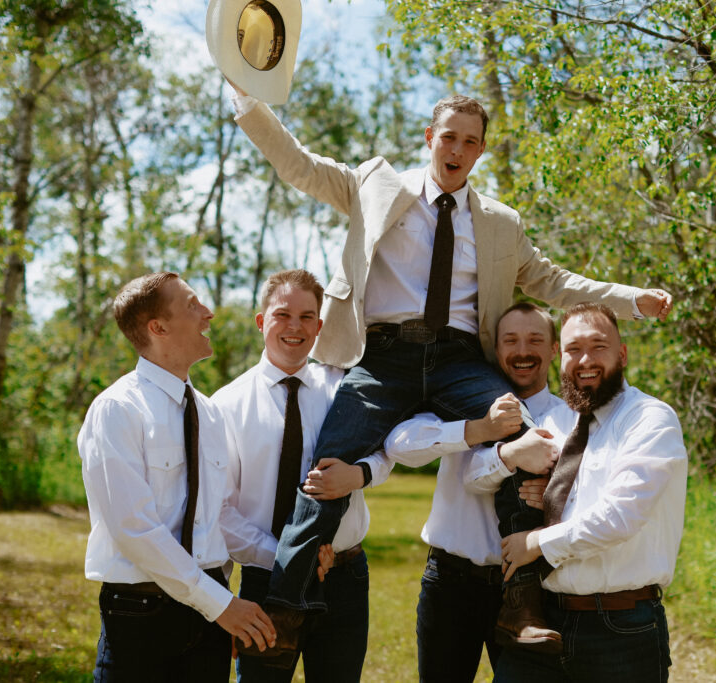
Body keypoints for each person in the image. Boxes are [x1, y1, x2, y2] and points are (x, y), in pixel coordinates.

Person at [231, 82, 674, 654]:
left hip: (459, 361)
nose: (457, 149)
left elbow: (553, 281)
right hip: (383, 356)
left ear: (481, 150)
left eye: (470, 141)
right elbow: (299, 166)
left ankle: (521, 603)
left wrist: (629, 298)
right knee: (330, 460)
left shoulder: (499, 223)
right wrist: (247, 102)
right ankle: (287, 610)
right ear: (430, 138)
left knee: (523, 435)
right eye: (448, 137)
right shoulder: (375, 185)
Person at [77, 272, 278, 681]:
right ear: (158, 327)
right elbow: (134, 529)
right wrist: (219, 604)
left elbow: (219, 515)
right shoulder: (117, 409)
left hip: (210, 621)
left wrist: (286, 559)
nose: (209, 313)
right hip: (142, 618)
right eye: (192, 304)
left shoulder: (210, 412)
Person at [210, 269, 393, 680]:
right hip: (267, 583)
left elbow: (386, 452)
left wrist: (361, 474)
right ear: (261, 322)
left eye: (307, 317)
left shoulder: (345, 388)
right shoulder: (226, 405)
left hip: (343, 578)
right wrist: (289, 558)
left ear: (320, 326)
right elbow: (219, 510)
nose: (295, 327)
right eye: (282, 315)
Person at [495, 302, 688, 682]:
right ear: (559, 356)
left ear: (622, 353)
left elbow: (619, 516)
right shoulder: (557, 423)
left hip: (620, 628)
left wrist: (535, 542)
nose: (585, 360)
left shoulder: (650, 419)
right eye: (573, 349)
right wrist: (548, 497)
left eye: (598, 346)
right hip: (543, 623)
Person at [384, 302, 566, 681]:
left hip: (532, 591)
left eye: (535, 339)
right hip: (451, 584)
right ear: (494, 349)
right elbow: (399, 445)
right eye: (510, 340)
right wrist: (480, 432)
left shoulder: (571, 420)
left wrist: (552, 494)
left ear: (555, 349)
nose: (522, 351)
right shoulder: (456, 401)